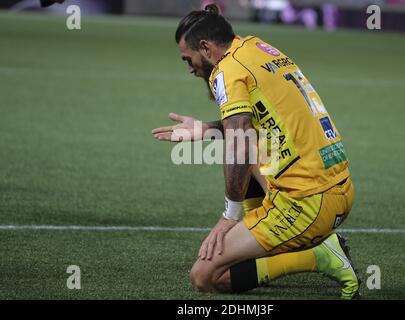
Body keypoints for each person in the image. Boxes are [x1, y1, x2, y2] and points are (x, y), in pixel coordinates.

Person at [152, 4, 360, 299]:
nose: (188, 68)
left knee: (205, 277)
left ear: (205, 48)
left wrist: (229, 215)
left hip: (308, 203)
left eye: (189, 59)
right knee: (248, 142)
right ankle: (266, 235)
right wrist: (207, 128)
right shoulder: (256, 46)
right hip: (337, 187)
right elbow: (256, 124)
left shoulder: (227, 72)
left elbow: (238, 141)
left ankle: (320, 255)